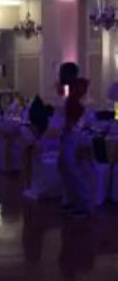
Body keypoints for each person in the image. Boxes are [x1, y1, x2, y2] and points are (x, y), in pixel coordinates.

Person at [56, 62, 94, 218]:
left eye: (61, 72)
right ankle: (73, 201)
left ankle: (84, 205)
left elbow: (72, 111)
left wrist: (69, 126)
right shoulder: (74, 88)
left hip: (72, 133)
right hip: (71, 132)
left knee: (71, 170)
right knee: (64, 168)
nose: (59, 75)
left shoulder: (77, 90)